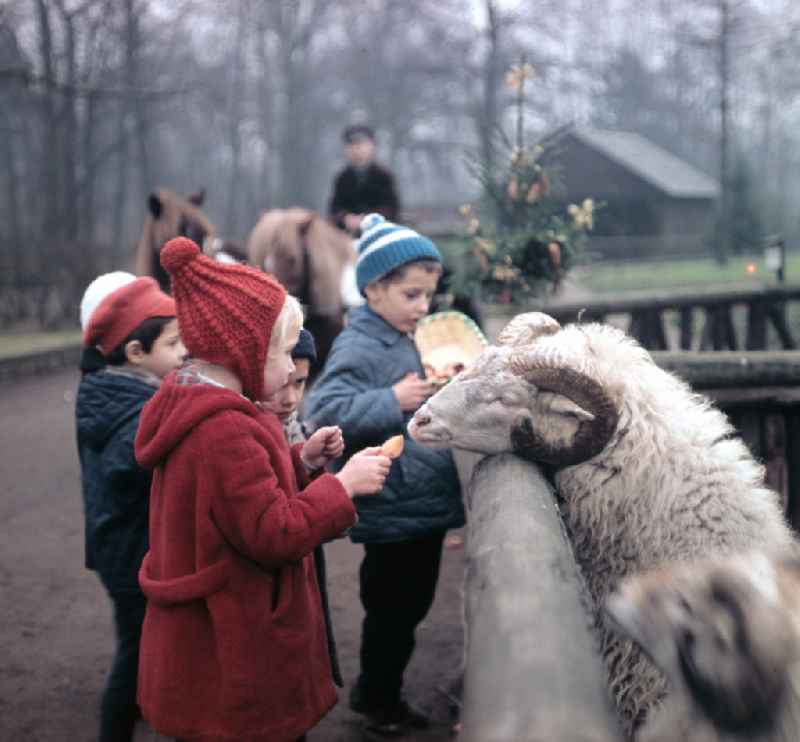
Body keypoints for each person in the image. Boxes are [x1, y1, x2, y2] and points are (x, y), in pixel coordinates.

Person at [133, 236, 391, 742]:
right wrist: (341, 487)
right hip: (234, 642)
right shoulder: (225, 428)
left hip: (210, 633)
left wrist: (301, 462)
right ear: (244, 349)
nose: (292, 365)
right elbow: (273, 531)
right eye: (285, 352)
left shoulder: (198, 406)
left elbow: (233, 501)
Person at [305, 213, 466, 736]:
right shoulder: (360, 344)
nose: (424, 307)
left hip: (417, 507)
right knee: (393, 613)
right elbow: (323, 410)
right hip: (394, 509)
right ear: (374, 289)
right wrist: (389, 400)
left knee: (409, 608)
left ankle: (379, 692)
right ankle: (377, 700)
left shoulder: (404, 335)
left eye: (428, 296)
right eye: (412, 295)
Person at [75, 274, 186, 742]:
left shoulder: (117, 390)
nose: (184, 352)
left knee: (141, 645)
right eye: (174, 342)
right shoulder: (131, 405)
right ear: (136, 353)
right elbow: (132, 462)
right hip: (128, 551)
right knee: (136, 650)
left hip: (124, 545)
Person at [258, 327, 345, 689]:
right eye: (282, 384)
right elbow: (274, 517)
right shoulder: (245, 435)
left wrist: (308, 461)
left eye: (301, 383)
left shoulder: (295, 428)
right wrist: (343, 488)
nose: (291, 397)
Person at [328, 124, 400, 234]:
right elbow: (335, 208)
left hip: (380, 233)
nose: (357, 150)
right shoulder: (342, 179)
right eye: (352, 145)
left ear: (372, 147)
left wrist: (367, 218)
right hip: (347, 235)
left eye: (362, 144)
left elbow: (392, 209)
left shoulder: (384, 176)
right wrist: (345, 218)